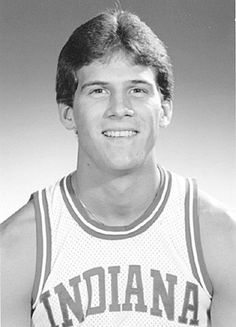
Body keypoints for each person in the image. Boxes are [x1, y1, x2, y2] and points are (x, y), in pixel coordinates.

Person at [1, 8, 236, 327]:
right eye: (98, 91)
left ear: (164, 110)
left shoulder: (219, 238)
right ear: (68, 112)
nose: (119, 109)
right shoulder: (17, 249)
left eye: (137, 90)